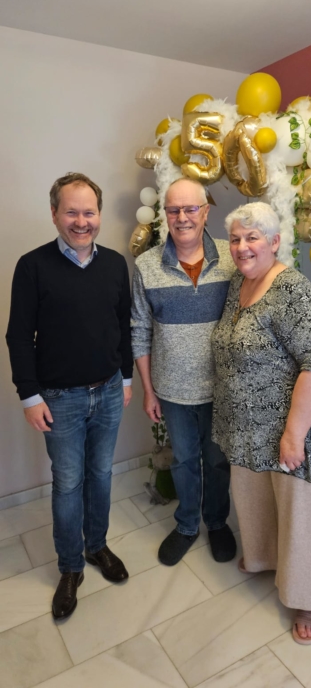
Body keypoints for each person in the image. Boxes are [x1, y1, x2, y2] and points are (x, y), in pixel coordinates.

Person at [211, 201, 311, 645]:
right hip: (250, 425)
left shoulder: (290, 289)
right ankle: (263, 558)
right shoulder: (239, 281)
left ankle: (309, 599)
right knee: (255, 497)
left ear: (275, 242)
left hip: (298, 424)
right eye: (235, 238)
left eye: (253, 237)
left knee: (300, 515)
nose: (241, 246)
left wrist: (294, 435)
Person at [6, 172, 133, 619]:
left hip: (109, 393)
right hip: (59, 399)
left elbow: (124, 327)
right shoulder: (33, 266)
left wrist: (127, 378)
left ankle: (96, 546)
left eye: (89, 212)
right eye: (72, 212)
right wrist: (30, 396)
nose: (82, 221)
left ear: (99, 214)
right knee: (68, 483)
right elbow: (19, 337)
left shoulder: (116, 264)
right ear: (55, 213)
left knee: (100, 475)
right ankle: (70, 567)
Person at [131, 178, 237, 566]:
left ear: (206, 212)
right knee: (183, 461)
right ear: (166, 216)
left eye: (190, 209)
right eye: (174, 210)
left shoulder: (231, 258)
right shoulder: (146, 266)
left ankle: (218, 523)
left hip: (221, 389)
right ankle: (188, 525)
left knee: (218, 461)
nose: (182, 217)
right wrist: (147, 389)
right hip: (171, 389)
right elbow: (139, 330)